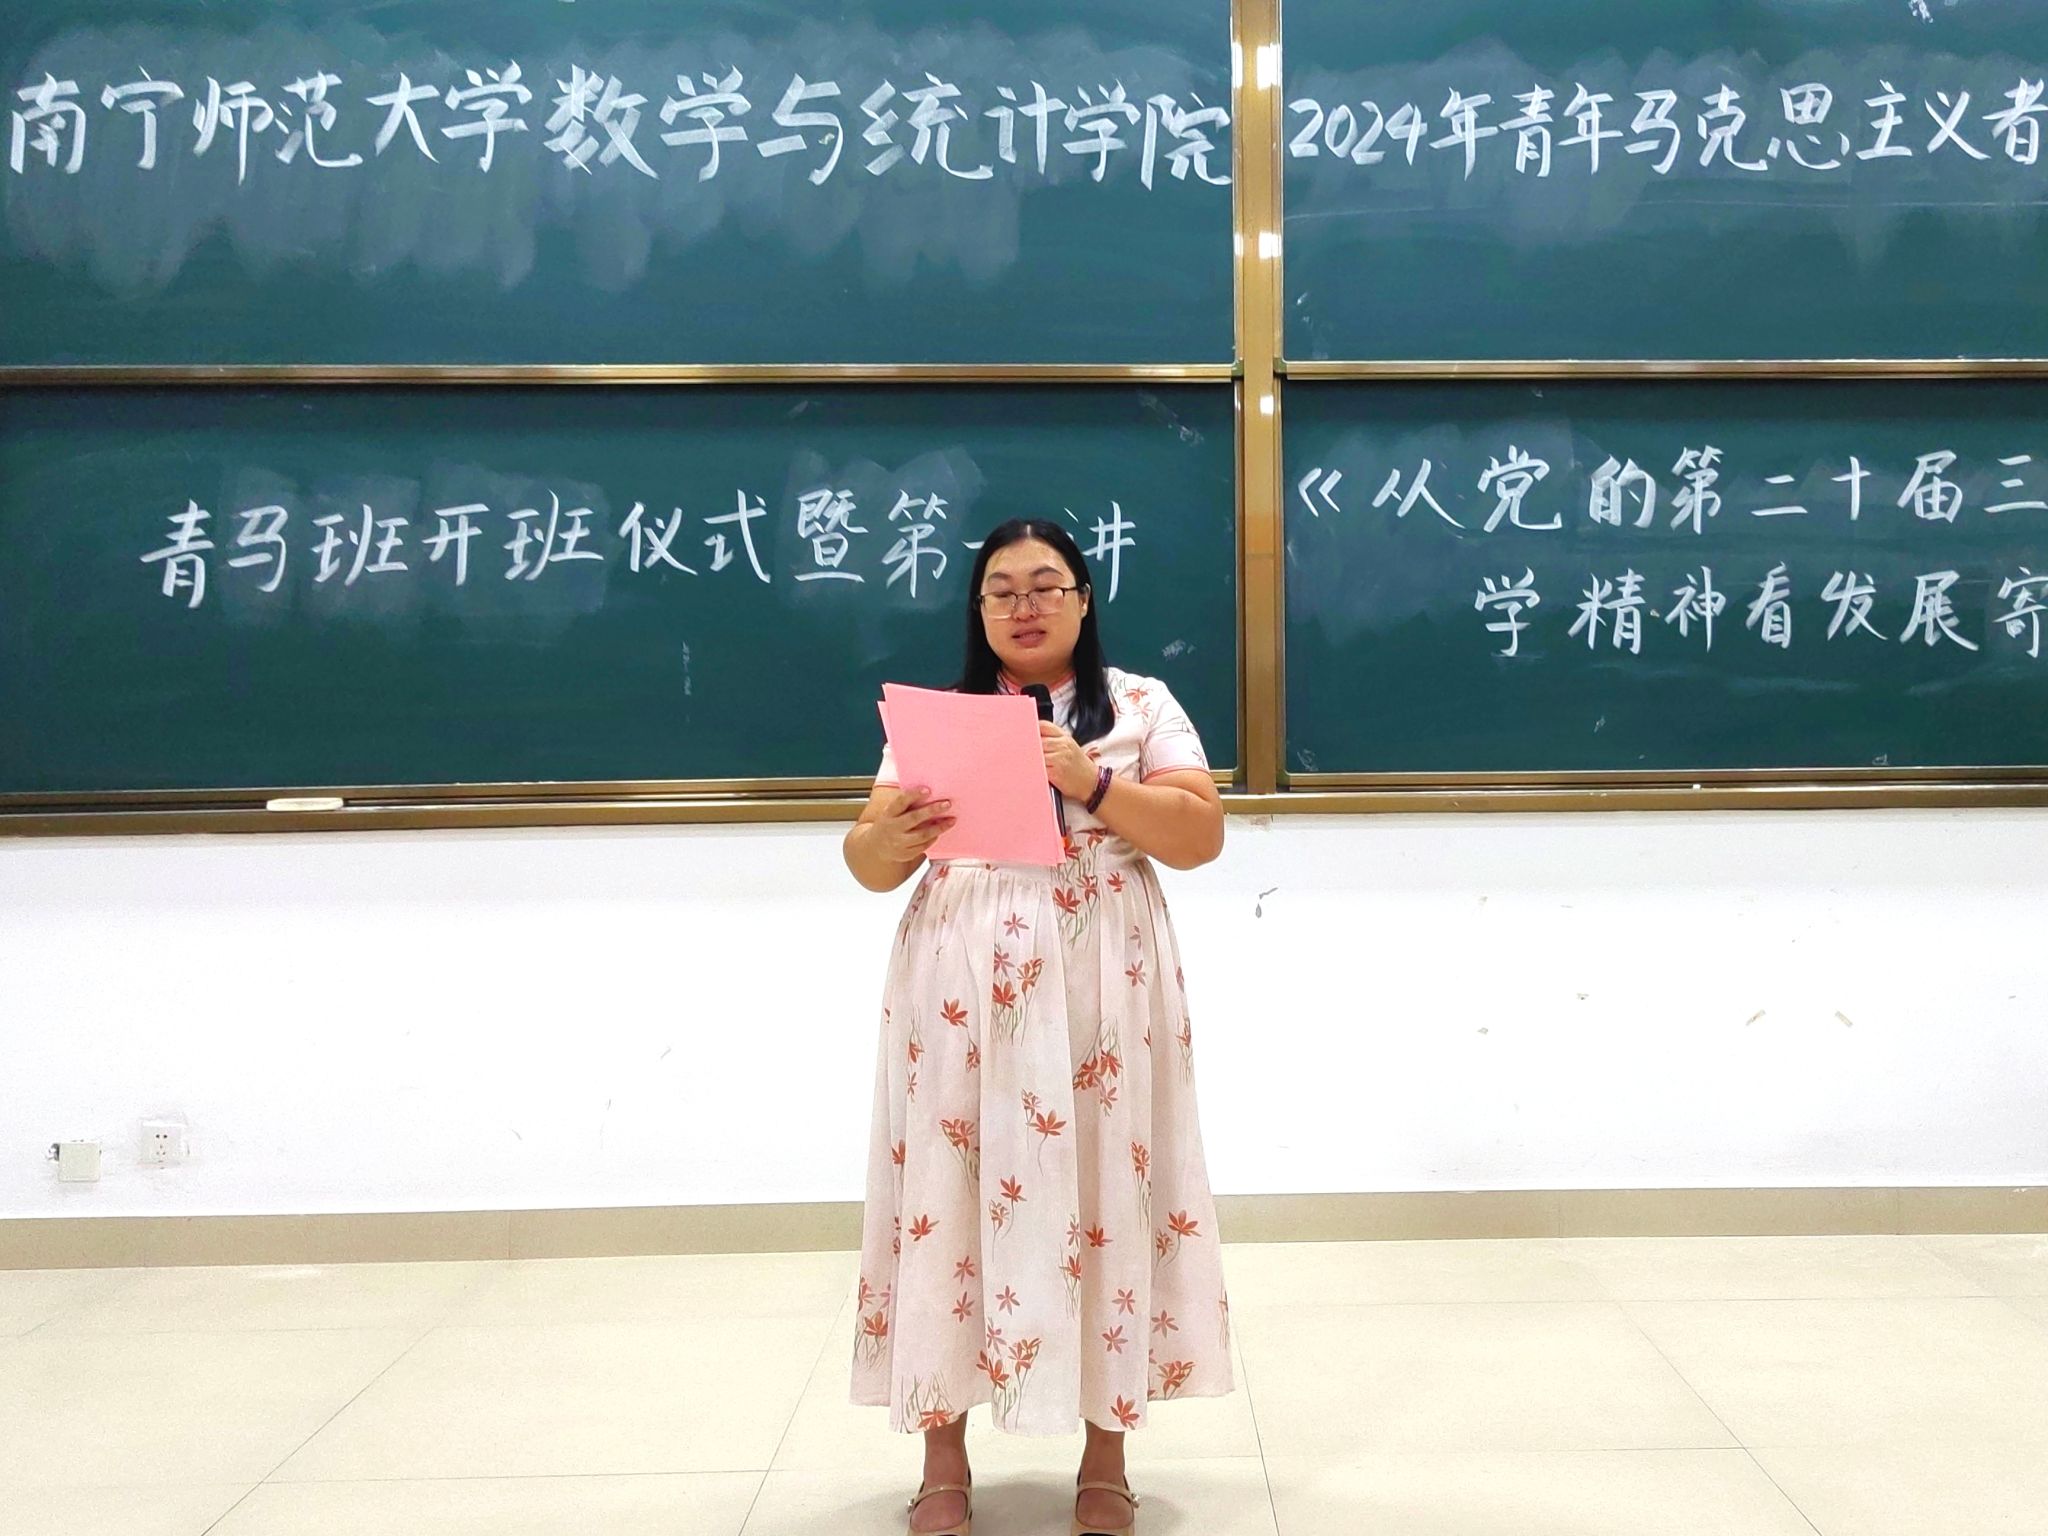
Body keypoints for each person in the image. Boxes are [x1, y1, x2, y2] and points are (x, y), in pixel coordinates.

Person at [843, 518, 1233, 1536]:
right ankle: (941, 1459)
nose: (1024, 606)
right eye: (1001, 590)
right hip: (962, 979)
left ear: (1083, 598)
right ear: (978, 610)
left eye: (1045, 585)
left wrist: (1089, 781)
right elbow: (867, 862)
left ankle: (1106, 1458)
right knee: (948, 1190)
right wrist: (890, 834)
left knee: (1106, 1186)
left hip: (1102, 971)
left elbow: (1200, 835)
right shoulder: (939, 719)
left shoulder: (1140, 703)